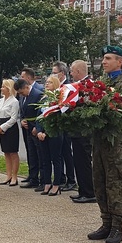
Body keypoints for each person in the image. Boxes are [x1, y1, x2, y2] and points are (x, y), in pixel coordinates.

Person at [86, 46, 122, 243]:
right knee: (99, 181)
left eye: (108, 58)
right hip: (98, 140)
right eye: (103, 58)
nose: (103, 62)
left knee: (114, 183)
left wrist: (105, 111)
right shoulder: (102, 82)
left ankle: (117, 226)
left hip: (114, 141)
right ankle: (105, 222)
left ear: (119, 62)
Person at [69, 60, 97, 204]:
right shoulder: (77, 85)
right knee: (78, 162)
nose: (71, 73)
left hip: (84, 132)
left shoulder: (88, 86)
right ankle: (83, 190)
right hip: (76, 131)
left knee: (84, 161)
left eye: (72, 71)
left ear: (78, 71)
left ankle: (89, 192)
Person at [14, 73, 44, 190]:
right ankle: (33, 178)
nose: (21, 95)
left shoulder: (37, 94)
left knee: (40, 155)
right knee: (31, 154)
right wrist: (22, 120)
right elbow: (22, 111)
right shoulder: (22, 96)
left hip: (36, 129)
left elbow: (41, 112)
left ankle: (43, 180)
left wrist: (38, 127)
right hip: (27, 129)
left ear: (26, 87)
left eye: (22, 92)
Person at [36, 75, 65, 196]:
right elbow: (38, 117)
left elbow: (58, 119)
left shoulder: (59, 99)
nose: (46, 84)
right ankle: (47, 182)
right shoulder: (44, 99)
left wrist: (47, 132)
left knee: (56, 159)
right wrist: (39, 131)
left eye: (50, 83)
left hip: (54, 134)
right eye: (46, 82)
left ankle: (57, 184)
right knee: (45, 159)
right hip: (42, 134)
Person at [52, 61, 77, 192]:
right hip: (58, 125)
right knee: (59, 153)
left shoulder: (68, 87)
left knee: (67, 153)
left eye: (54, 73)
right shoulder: (57, 87)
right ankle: (60, 178)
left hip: (66, 126)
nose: (52, 75)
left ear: (62, 73)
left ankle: (71, 180)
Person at [0, 78, 20, 186]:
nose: (1, 88)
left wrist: (3, 127)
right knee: (6, 152)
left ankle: (14, 176)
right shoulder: (0, 100)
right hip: (0, 125)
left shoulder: (14, 101)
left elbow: (14, 118)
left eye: (4, 86)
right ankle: (8, 175)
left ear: (9, 88)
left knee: (13, 152)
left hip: (10, 128)